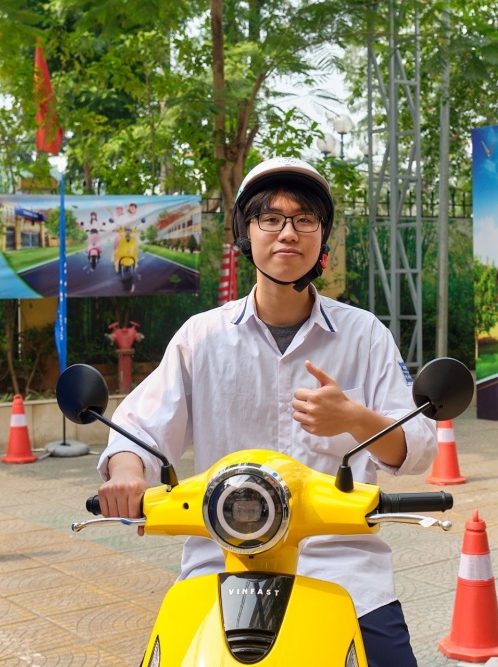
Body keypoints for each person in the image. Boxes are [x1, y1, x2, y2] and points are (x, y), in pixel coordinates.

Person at [96, 156, 437, 666]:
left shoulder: (364, 335)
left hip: (343, 567)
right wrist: (127, 474)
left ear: (322, 237)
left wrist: (354, 418)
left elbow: (418, 449)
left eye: (304, 220)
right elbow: (140, 428)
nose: (288, 233)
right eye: (270, 218)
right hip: (220, 563)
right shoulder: (201, 337)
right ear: (245, 233)